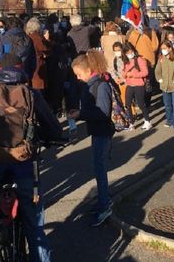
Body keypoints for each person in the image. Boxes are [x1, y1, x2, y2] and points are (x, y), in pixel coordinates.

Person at [0, 54, 63, 261]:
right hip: (24, 162)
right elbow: (51, 125)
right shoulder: (31, 94)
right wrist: (57, 137)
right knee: (34, 224)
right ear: (20, 68)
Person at [68, 50, 114, 227]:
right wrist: (80, 114)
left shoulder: (100, 85)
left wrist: (81, 113)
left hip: (103, 132)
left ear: (88, 71)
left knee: (100, 170)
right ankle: (103, 201)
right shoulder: (92, 84)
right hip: (97, 131)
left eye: (79, 74)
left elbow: (102, 111)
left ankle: (105, 205)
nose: (78, 78)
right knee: (98, 168)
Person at [154, 40, 174, 132]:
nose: (163, 50)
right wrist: (159, 79)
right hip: (164, 86)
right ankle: (170, 120)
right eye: (162, 48)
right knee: (167, 105)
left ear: (170, 48)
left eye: (164, 48)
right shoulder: (161, 58)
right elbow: (157, 70)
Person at [122, 43, 152, 130]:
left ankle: (147, 121)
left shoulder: (140, 60)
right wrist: (125, 75)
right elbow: (124, 73)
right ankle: (131, 122)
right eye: (127, 53)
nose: (129, 54)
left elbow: (145, 72)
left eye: (130, 51)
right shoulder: (126, 61)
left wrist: (133, 74)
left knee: (141, 104)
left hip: (139, 84)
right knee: (127, 104)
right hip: (129, 84)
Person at [25, 17, 51, 92]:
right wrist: (47, 39)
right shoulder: (37, 37)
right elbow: (46, 49)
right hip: (38, 68)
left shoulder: (26, 37)